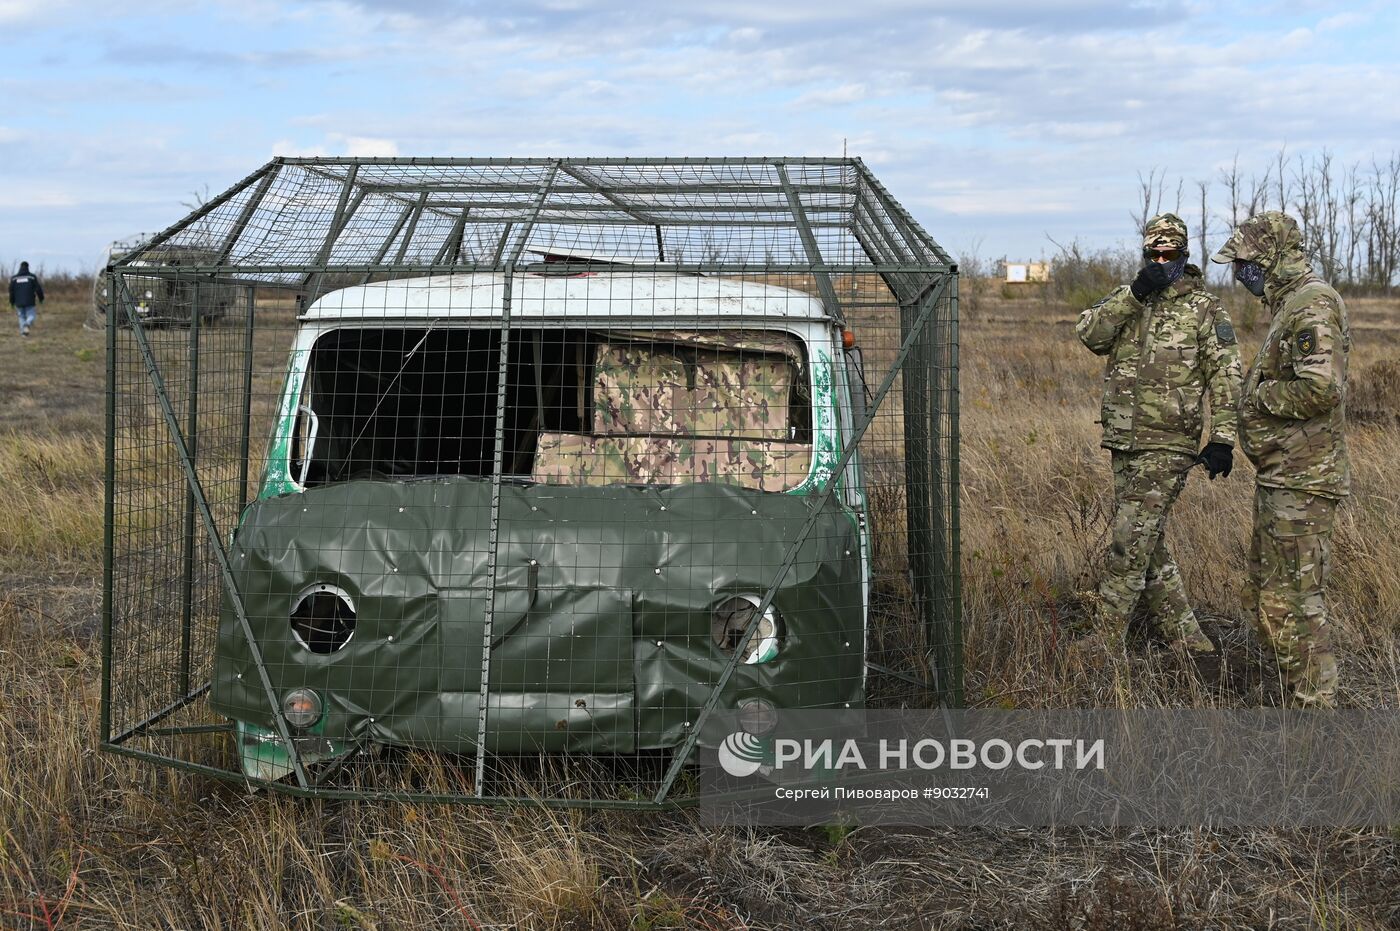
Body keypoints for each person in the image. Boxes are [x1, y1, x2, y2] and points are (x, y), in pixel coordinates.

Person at [1075, 213, 1243, 654]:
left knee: (1129, 539)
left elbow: (1226, 374)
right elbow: (1090, 335)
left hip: (1170, 443)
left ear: (1185, 256)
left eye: (1170, 254)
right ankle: (1190, 641)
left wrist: (1223, 438)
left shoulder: (1205, 308)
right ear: (1145, 255)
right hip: (1124, 440)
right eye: (1155, 254)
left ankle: (1105, 641)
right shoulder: (1130, 297)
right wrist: (1134, 293)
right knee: (1147, 543)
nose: (1162, 260)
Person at [1212, 211, 1349, 707]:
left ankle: (1318, 716)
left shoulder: (1312, 303)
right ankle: (1303, 701)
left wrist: (1258, 398)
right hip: (1282, 478)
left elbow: (1321, 387)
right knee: (1268, 598)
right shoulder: (1290, 304)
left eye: (1244, 263)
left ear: (1268, 259)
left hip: (1304, 481)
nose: (1239, 274)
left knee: (1294, 602)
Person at [8, 261, 44, 337]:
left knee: (21, 317)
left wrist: (11, 302)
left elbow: (11, 291)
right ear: (28, 267)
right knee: (31, 316)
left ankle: (23, 334)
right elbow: (38, 289)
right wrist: (41, 298)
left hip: (18, 302)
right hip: (30, 301)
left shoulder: (14, 278)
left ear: (20, 267)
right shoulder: (32, 277)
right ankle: (27, 324)